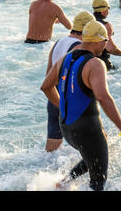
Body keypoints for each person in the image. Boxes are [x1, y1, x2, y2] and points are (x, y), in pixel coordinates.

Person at [41, 20, 121, 191]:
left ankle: (63, 183)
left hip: (67, 127)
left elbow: (46, 87)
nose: (106, 46)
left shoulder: (65, 58)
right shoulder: (95, 64)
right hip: (87, 129)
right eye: (106, 42)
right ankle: (64, 183)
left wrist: (63, 108)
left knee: (91, 155)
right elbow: (103, 98)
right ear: (99, 41)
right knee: (97, 183)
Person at [44, 11, 95, 152]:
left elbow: (48, 75)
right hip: (70, 103)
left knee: (51, 152)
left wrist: (58, 103)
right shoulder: (79, 47)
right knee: (93, 147)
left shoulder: (58, 43)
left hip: (54, 99)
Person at [91, 0, 121, 70]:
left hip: (84, 61)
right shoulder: (106, 25)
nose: (108, 11)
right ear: (103, 10)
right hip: (101, 63)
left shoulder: (86, 22)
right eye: (107, 9)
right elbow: (111, 49)